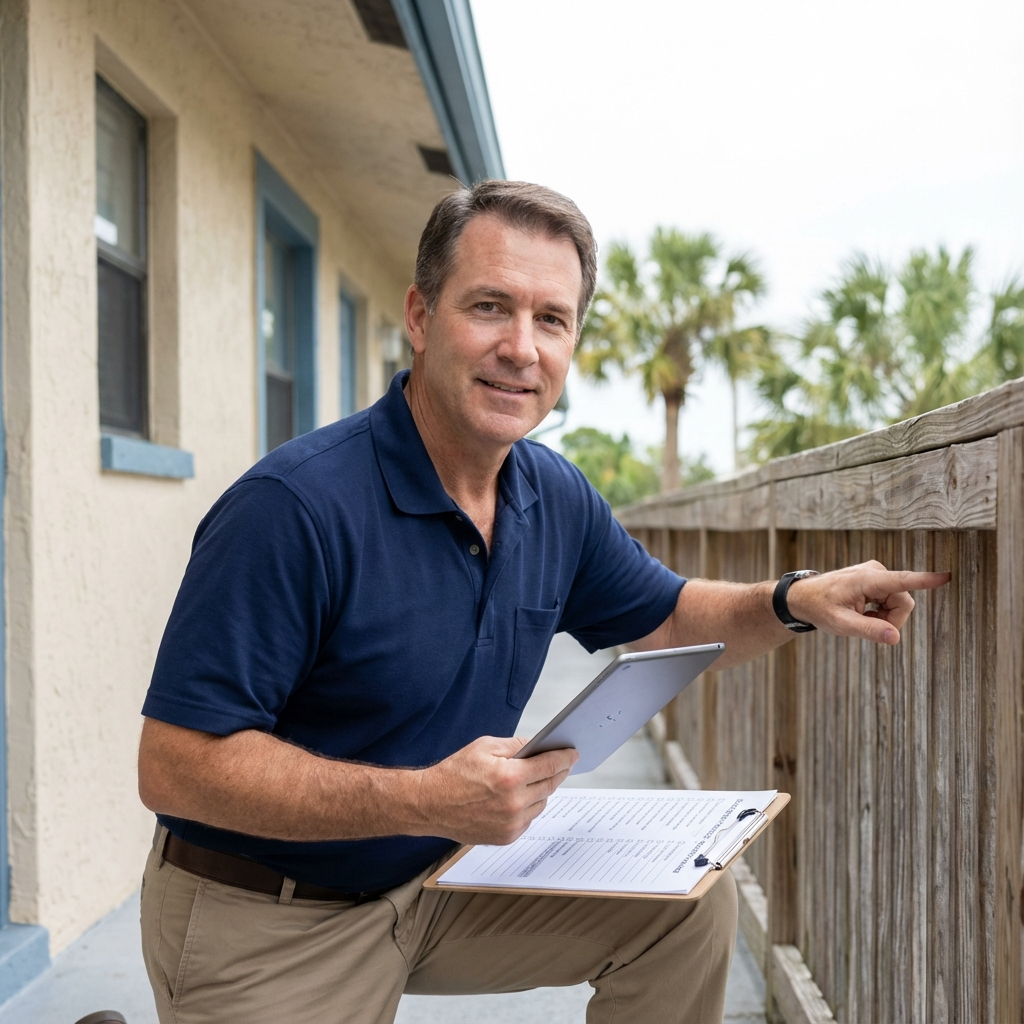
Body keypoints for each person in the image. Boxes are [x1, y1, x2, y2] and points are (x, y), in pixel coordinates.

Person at [137, 180, 948, 1024]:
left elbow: (666, 615)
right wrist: (424, 799)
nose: (521, 348)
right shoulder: (294, 507)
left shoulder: (550, 495)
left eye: (551, 319)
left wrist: (793, 600)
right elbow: (175, 764)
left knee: (685, 905)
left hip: (436, 879)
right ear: (420, 316)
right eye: (490, 307)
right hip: (273, 913)